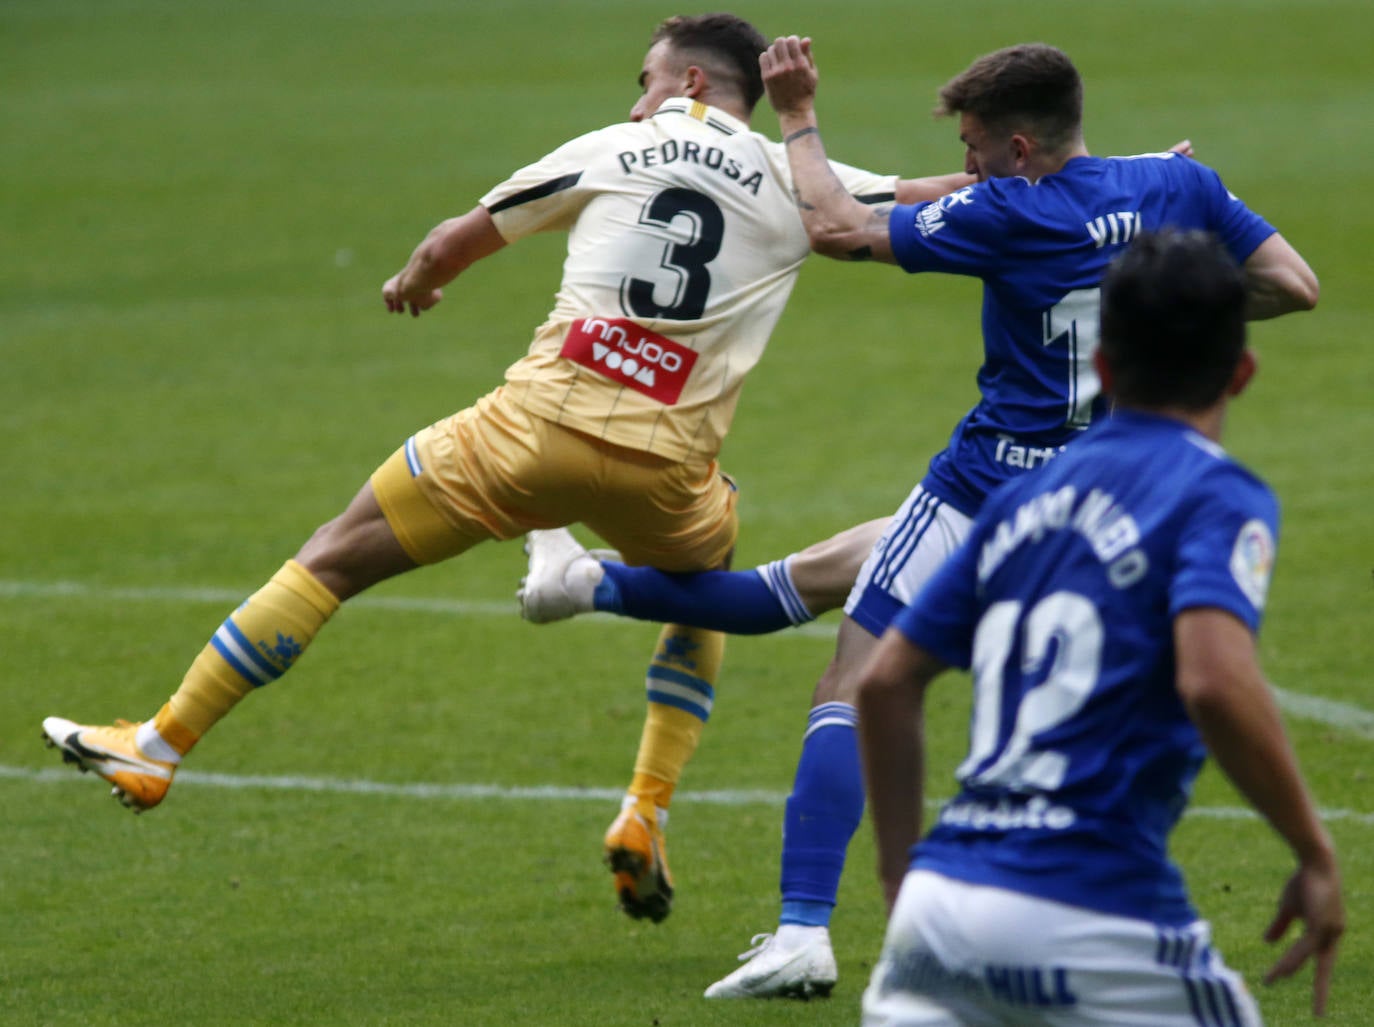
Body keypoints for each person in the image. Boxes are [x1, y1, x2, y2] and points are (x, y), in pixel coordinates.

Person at [39, 14, 975, 927]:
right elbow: (904, 200)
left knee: (333, 557)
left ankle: (159, 745)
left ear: (689, 82)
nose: (639, 98)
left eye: (647, 79)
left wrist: (417, 282)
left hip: (524, 439)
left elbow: (459, 237)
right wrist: (1014, 173)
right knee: (699, 593)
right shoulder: (793, 174)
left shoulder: (616, 145)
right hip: (666, 478)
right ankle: (646, 807)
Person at [519, 39, 1318, 998]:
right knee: (811, 578)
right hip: (1100, 488)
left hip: (984, 487)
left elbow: (838, 226)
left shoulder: (1004, 210)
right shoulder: (1175, 190)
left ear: (1020, 147)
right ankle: (580, 582)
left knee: (852, 676)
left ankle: (803, 930)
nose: (969, 164)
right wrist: (1148, 301)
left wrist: (800, 114)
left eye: (978, 146)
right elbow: (1295, 285)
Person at [855, 228, 1343, 1025]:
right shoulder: (1216, 492)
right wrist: (1314, 850)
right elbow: (1214, 680)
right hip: (1093, 903)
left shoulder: (1018, 502)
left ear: (1105, 369)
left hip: (940, 904)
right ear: (1242, 371)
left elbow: (884, 679)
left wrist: (898, 880)